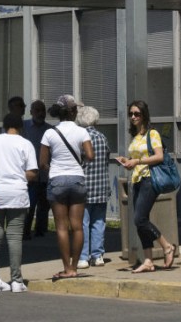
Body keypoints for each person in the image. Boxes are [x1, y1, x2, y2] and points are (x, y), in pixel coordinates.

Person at [116, 100, 177, 273]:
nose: (133, 117)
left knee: (139, 219)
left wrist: (138, 161)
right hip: (136, 179)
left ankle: (166, 246)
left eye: (137, 113)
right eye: (131, 114)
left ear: (144, 115)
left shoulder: (153, 134)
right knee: (140, 222)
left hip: (150, 178)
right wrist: (127, 161)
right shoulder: (135, 137)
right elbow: (135, 159)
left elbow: (158, 156)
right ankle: (148, 260)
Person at [0, 113, 38, 293]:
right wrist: (18, 176)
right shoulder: (25, 144)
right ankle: (16, 280)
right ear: (20, 127)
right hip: (17, 195)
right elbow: (32, 172)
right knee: (14, 238)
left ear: (4, 126)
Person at [40, 94, 94, 279]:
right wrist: (79, 162)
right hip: (77, 179)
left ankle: (66, 268)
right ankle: (75, 267)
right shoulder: (81, 131)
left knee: (62, 227)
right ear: (73, 111)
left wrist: (53, 169)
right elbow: (90, 154)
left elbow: (42, 162)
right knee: (77, 227)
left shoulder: (49, 133)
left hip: (57, 179)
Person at [75, 105, 110, 269]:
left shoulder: (81, 138)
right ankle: (98, 255)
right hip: (101, 186)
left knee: (83, 223)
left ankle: (83, 257)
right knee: (98, 222)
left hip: (84, 188)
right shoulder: (102, 137)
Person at [23, 100, 53, 239]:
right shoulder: (24, 128)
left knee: (44, 205)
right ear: (31, 112)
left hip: (46, 173)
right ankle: (25, 231)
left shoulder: (51, 130)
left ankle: (41, 230)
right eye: (37, 110)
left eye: (42, 110)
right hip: (30, 173)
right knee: (29, 204)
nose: (40, 113)